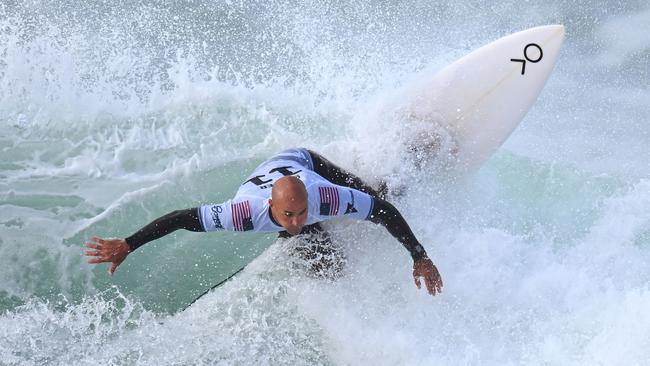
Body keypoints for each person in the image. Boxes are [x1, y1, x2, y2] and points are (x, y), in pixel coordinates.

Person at [84, 148, 443, 295]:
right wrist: (129, 243)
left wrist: (419, 255)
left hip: (304, 161)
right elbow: (181, 218)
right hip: (275, 173)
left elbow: (383, 212)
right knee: (327, 268)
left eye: (302, 214)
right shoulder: (242, 214)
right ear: (272, 205)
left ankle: (416, 157)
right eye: (288, 215)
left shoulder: (325, 196)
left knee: (376, 195)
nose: (296, 220)